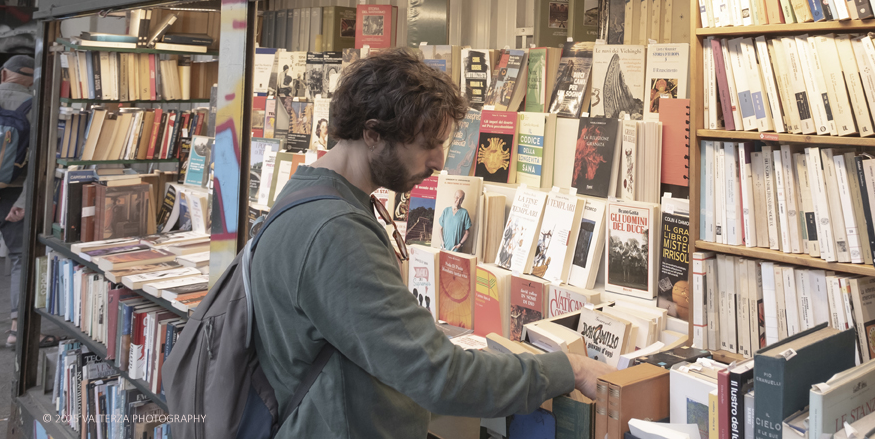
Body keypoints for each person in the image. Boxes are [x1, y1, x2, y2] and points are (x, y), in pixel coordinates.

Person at [250, 49, 607, 437]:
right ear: (372, 134)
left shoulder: (304, 193)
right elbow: (439, 376)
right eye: (426, 145)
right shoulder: (337, 232)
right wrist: (569, 369)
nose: (439, 161)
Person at [0, 56, 33, 348]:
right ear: (32, 81)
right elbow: (39, 162)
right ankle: (15, 330)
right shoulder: (34, 107)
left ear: (3, 74)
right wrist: (23, 201)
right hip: (13, 193)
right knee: (21, 258)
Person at [438, 188, 471, 252]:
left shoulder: (464, 213)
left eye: (461, 199)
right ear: (454, 197)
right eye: (457, 197)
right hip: (444, 248)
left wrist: (460, 244)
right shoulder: (446, 211)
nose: (458, 201)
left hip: (456, 250)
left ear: (463, 200)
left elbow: (467, 233)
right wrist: (442, 242)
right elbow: (440, 229)